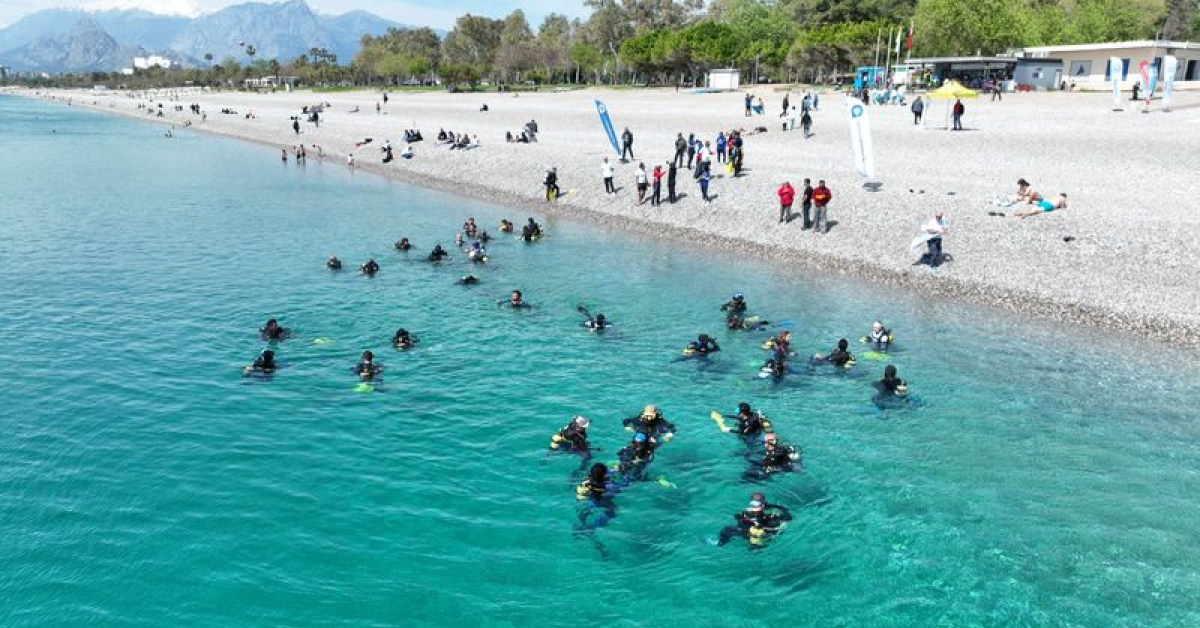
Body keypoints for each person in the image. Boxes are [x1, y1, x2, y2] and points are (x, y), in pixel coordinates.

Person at [717, 493, 793, 547]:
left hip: (743, 532)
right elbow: (788, 518)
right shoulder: (769, 516)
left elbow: (737, 517)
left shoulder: (745, 513)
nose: (755, 508)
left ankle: (720, 543)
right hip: (757, 535)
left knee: (726, 529)